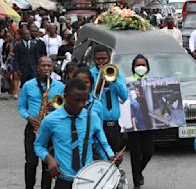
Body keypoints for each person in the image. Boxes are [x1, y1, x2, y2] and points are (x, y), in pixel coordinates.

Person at [34, 78, 121, 189]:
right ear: (65, 96)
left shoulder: (92, 117)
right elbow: (39, 145)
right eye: (76, 100)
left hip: (89, 181)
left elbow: (102, 144)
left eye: (84, 100)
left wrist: (112, 157)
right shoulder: (50, 120)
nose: (81, 104)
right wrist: (49, 159)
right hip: (63, 181)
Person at [18, 56, 65, 189]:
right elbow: (21, 107)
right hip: (33, 127)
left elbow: (64, 106)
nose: (46, 68)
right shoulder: (28, 85)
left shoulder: (59, 86)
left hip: (51, 129)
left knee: (48, 165)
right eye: (43, 66)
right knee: (31, 162)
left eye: (49, 66)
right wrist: (29, 117)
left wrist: (56, 107)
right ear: (38, 68)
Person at [90, 45, 128, 153]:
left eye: (104, 59)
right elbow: (88, 98)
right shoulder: (90, 74)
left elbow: (124, 96)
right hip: (97, 121)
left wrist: (114, 81)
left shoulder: (116, 73)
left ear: (109, 58)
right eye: (98, 59)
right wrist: (99, 85)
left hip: (113, 123)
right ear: (94, 59)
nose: (101, 62)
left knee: (115, 154)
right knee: (99, 155)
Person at [126, 54, 154, 189]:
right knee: (135, 153)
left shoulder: (153, 81)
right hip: (134, 123)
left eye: (143, 65)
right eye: (138, 65)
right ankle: (137, 181)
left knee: (148, 151)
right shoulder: (127, 81)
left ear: (148, 67)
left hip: (148, 123)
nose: (141, 67)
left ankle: (139, 172)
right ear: (133, 67)